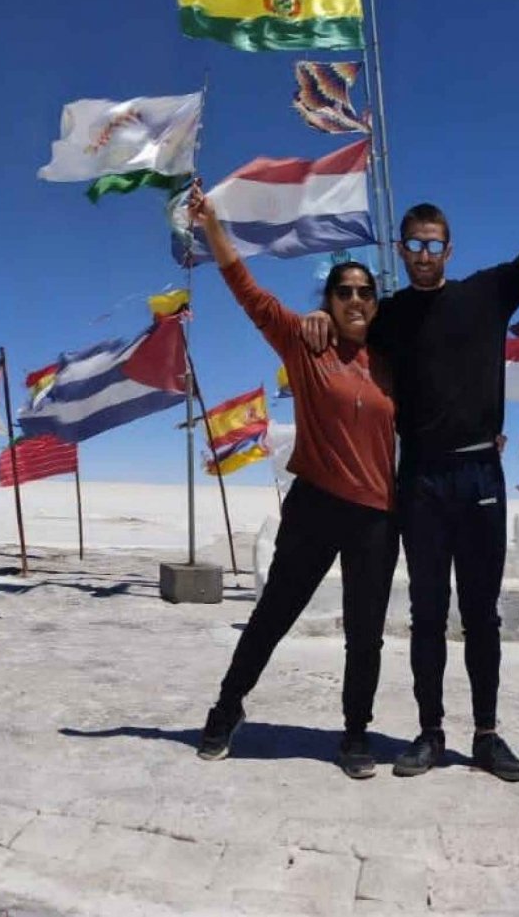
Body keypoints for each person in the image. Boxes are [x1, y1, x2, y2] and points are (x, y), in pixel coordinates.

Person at [302, 128, 519, 781]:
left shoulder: (486, 293)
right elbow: (343, 326)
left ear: (448, 248)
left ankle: (488, 734)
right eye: (412, 244)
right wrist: (319, 319)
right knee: (427, 614)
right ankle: (430, 732)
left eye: (433, 244)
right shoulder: (386, 315)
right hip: (420, 476)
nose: (422, 254)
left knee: (481, 612)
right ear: (401, 250)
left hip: (479, 475)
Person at [188, 179, 399, 780]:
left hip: (376, 517)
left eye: (365, 292)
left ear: (375, 303)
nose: (356, 300)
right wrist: (211, 224)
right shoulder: (307, 347)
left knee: (366, 634)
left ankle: (355, 734)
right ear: (330, 300)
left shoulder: (391, 360)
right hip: (315, 507)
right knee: (273, 615)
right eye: (344, 291)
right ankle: (226, 709)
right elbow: (247, 291)